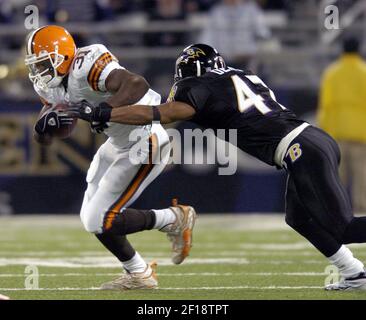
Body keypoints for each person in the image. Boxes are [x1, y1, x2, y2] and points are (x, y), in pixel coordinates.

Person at [67, 43, 366, 291]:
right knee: (297, 217)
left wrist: (107, 111)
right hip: (310, 141)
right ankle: (354, 273)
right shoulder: (241, 76)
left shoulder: (197, 85)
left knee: (343, 227)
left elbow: (166, 113)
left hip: (301, 149)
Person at [25, 25, 196, 290]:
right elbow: (48, 133)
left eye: (45, 64)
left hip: (144, 138)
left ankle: (173, 218)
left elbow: (136, 84)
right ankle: (140, 274)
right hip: (117, 142)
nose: (40, 72)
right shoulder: (51, 86)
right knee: (89, 218)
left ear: (65, 56)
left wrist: (102, 110)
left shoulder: (87, 64)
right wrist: (42, 130)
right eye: (36, 66)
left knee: (98, 218)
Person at [318, 37, 366, 212]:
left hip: (336, 133)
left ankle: (336, 214)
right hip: (361, 134)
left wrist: (324, 132)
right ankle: (362, 221)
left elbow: (325, 105)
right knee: (362, 181)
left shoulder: (332, 73)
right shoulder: (364, 72)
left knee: (337, 180)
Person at [199, 0, 270, 70]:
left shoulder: (252, 10)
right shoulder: (217, 11)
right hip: (223, 62)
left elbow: (263, 33)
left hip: (246, 60)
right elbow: (207, 37)